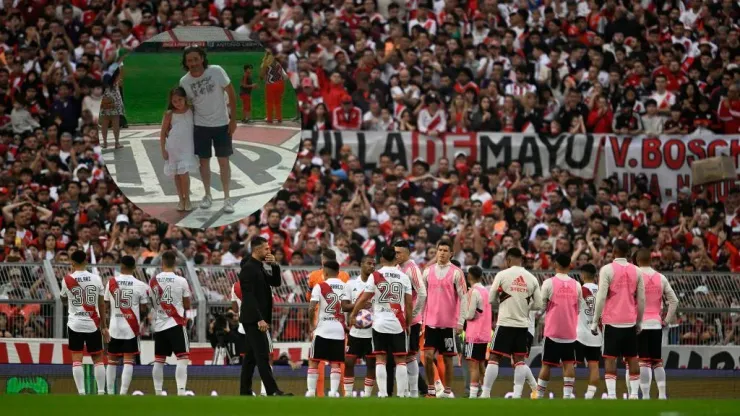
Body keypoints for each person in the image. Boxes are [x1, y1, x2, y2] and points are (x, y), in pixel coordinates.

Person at [179, 46, 237, 213]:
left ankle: (227, 198)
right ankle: (208, 194)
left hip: (222, 124)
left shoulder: (216, 71)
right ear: (185, 63)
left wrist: (233, 120)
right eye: (189, 61)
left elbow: (231, 94)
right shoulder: (184, 81)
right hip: (200, 126)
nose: (193, 63)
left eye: (196, 59)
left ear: (202, 59)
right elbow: (188, 104)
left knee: (224, 162)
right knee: (203, 162)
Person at [350, 246, 413, 398]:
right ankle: (403, 394)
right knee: (400, 359)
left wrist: (353, 314)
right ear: (395, 258)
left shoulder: (376, 275)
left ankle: (383, 393)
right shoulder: (404, 277)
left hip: (379, 323)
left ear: (382, 259)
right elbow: (409, 304)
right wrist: (408, 323)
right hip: (398, 323)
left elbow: (364, 298)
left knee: (380, 358)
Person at [482, 248, 542, 399]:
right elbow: (539, 304)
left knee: (494, 357)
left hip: (505, 322)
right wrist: (526, 306)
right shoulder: (532, 278)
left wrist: (502, 303)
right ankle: (517, 395)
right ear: (521, 259)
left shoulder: (502, 275)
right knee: (519, 360)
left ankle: (486, 392)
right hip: (522, 325)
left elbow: (491, 300)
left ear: (508, 260)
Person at [591, 239, 646, 400]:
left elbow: (601, 297)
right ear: (628, 253)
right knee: (632, 357)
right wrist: (640, 321)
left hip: (611, 320)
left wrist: (595, 321)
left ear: (613, 252)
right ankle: (635, 394)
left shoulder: (606, 270)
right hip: (630, 320)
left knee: (610, 358)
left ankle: (613, 395)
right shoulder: (637, 271)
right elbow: (641, 299)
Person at [238, 236, 290, 396]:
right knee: (262, 355)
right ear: (257, 249)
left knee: (250, 358)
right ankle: (272, 390)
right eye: (266, 248)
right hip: (254, 319)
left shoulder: (258, 267)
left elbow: (275, 282)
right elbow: (249, 296)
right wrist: (259, 318)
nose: (269, 251)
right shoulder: (248, 268)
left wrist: (274, 265)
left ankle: (245, 391)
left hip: (257, 318)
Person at [421, 240, 466, 398]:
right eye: (439, 249)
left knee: (448, 359)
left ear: (451, 254)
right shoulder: (428, 271)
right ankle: (431, 389)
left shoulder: (456, 272)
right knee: (427, 356)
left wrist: (460, 322)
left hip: (448, 324)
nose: (441, 253)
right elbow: (422, 296)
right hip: (431, 323)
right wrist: (420, 318)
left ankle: (447, 391)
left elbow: (463, 298)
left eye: (445, 250)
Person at [536, 254, 584, 399]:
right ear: (570, 265)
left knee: (546, 364)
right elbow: (579, 308)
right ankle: (567, 396)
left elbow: (541, 306)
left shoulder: (548, 283)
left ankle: (539, 395)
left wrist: (537, 315)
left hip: (553, 332)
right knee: (568, 364)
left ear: (555, 264)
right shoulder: (576, 285)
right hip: (569, 332)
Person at [60, 249, 107, 395]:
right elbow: (102, 304)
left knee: (77, 358)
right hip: (93, 323)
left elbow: (63, 299)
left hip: (75, 323)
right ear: (86, 261)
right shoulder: (96, 278)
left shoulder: (67, 279)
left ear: (72, 263)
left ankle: (81, 392)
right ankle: (100, 391)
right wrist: (104, 326)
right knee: (98, 358)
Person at [306, 248, 351, 396]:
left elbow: (312, 307)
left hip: (322, 328)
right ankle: (333, 392)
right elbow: (347, 307)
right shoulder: (346, 286)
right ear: (338, 272)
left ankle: (312, 392)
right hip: (338, 329)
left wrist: (312, 325)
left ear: (324, 271)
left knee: (314, 360)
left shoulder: (320, 286)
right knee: (336, 363)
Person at [635, 248, 678, 399]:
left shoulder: (635, 276)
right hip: (656, 324)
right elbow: (674, 301)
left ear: (637, 261)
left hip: (640, 324)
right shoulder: (661, 277)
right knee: (657, 361)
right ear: (651, 260)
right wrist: (666, 320)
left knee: (644, 362)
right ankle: (662, 395)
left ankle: (646, 395)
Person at [104, 255, 149, 395]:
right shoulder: (140, 285)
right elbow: (144, 308)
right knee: (128, 360)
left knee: (112, 360)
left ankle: (110, 392)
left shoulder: (111, 282)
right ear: (134, 268)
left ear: (120, 266)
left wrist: (103, 325)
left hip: (114, 326)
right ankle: (123, 393)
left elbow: (105, 305)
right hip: (131, 327)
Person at [149, 250, 192, 396]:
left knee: (159, 360)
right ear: (175, 263)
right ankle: (181, 391)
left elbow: (152, 302)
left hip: (160, 324)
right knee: (182, 358)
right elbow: (187, 305)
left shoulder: (153, 280)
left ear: (162, 263)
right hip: (176, 323)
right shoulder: (181, 280)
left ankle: (158, 391)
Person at [394, 240, 427, 397]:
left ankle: (413, 391)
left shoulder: (412, 269)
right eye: (395, 252)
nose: (397, 255)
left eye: (399, 252)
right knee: (402, 355)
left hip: (411, 320)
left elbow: (422, 292)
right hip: (399, 318)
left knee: (411, 354)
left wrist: (414, 314)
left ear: (407, 253)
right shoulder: (397, 268)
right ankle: (406, 390)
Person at [343, 255, 377, 397]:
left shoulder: (378, 284)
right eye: (368, 263)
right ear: (361, 264)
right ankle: (349, 395)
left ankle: (367, 395)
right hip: (355, 330)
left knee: (371, 363)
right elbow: (344, 306)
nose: (371, 266)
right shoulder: (350, 284)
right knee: (349, 362)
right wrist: (360, 305)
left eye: (373, 264)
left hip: (372, 331)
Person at [160, 86, 198, 212]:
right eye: (174, 101)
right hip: (173, 147)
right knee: (176, 173)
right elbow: (162, 132)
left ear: (185, 98)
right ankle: (180, 199)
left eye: (180, 100)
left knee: (184, 173)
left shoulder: (191, 109)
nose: (178, 103)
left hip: (187, 147)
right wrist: (163, 150)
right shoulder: (170, 114)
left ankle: (187, 198)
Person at [231, 279, 268, 395]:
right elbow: (267, 304)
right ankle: (264, 390)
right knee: (265, 358)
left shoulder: (235, 286)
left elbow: (235, 309)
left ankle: (246, 390)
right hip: (260, 326)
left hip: (243, 327)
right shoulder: (261, 283)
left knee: (247, 362)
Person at [459, 265, 490, 399]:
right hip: (484, 333)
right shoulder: (486, 291)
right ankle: (485, 392)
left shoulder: (473, 292)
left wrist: (463, 314)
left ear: (469, 276)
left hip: (474, 334)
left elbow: (470, 315)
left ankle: (472, 394)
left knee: (473, 366)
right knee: (481, 364)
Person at [575, 263, 602, 399]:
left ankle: (568, 393)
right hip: (596, 335)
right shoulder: (603, 291)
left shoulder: (579, 290)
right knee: (594, 365)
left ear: (582, 275)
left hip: (579, 334)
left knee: (570, 364)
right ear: (595, 276)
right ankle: (589, 396)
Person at [99, 67, 124, 149]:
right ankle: (116, 143)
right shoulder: (114, 83)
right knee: (115, 125)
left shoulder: (106, 81)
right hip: (114, 105)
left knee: (104, 124)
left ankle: (105, 143)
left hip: (105, 105)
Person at [261, 49, 285, 124]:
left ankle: (270, 118)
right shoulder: (279, 61)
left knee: (269, 102)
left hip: (271, 84)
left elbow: (262, 75)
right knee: (278, 102)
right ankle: (279, 118)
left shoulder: (266, 62)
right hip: (280, 83)